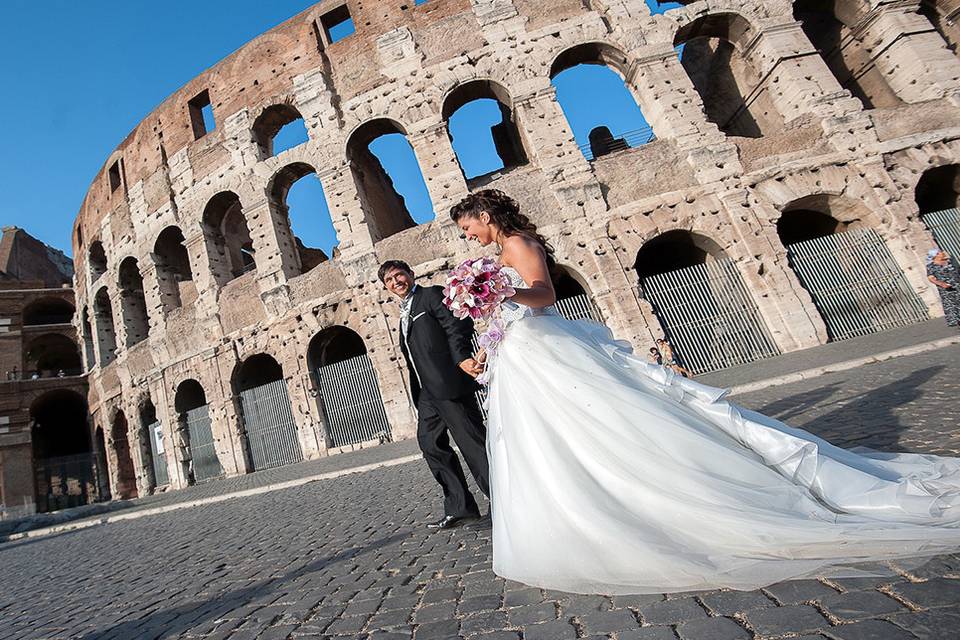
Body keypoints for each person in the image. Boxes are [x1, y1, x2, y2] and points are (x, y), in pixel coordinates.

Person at [450, 188, 960, 595]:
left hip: (547, 351)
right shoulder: (497, 251)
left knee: (603, 424)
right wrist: (485, 345)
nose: (466, 236)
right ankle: (570, 516)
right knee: (550, 438)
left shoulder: (517, 245)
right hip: (523, 356)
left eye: (467, 226)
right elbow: (509, 316)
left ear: (486, 216)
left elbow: (543, 295)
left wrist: (497, 289)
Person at [379, 259, 491, 530]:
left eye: (399, 275)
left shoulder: (430, 295)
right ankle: (460, 508)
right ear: (386, 287)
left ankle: (503, 501)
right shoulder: (404, 312)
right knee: (430, 444)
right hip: (426, 392)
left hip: (449, 383)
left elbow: (456, 326)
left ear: (411, 274)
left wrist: (462, 358)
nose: (396, 282)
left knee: (473, 444)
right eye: (390, 281)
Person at [927, 247, 959, 327]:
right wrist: (942, 284)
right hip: (947, 289)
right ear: (936, 255)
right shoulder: (931, 266)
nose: (943, 253)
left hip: (957, 285)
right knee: (952, 305)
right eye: (941, 252)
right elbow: (931, 278)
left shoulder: (950, 261)